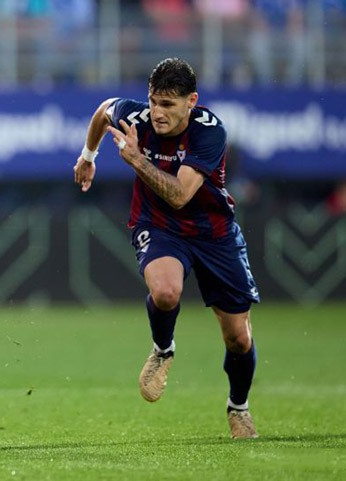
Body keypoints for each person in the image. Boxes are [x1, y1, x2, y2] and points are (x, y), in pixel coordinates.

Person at [73, 58, 260, 439]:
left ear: (192, 101)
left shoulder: (210, 132)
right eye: (154, 101)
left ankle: (238, 406)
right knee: (165, 290)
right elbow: (101, 111)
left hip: (214, 233)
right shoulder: (135, 117)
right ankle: (163, 349)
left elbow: (179, 195)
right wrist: (88, 157)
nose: (157, 113)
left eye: (169, 105)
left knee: (238, 337)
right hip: (159, 227)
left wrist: (137, 160)